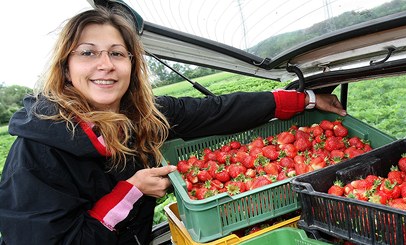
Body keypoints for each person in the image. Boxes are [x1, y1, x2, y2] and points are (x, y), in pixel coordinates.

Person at [0, 6, 346, 245]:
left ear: (132, 65)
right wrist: (131, 191)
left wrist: (305, 100)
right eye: (87, 53)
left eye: (117, 53)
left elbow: (216, 111)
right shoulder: (38, 150)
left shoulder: (141, 115)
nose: (105, 65)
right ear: (65, 67)